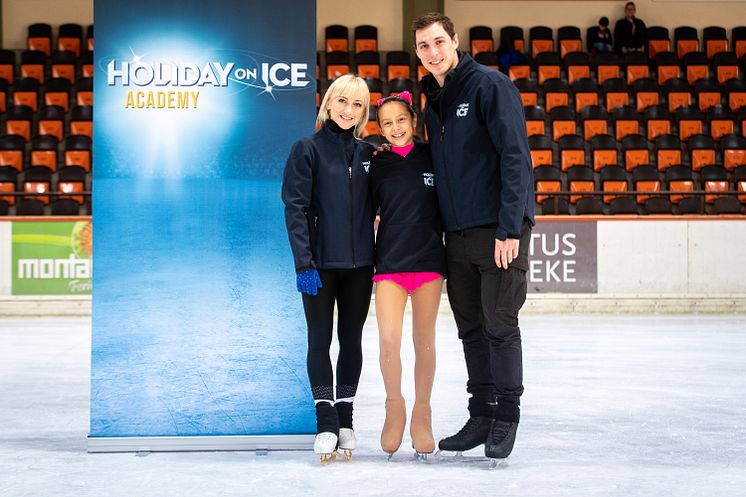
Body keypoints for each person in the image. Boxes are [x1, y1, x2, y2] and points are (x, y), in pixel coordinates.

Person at [412, 12, 535, 460]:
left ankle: (507, 417)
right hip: (456, 235)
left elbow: (515, 158)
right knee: (471, 330)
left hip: (498, 231)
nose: (433, 52)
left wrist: (509, 228)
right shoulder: (433, 100)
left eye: (439, 42)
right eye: (424, 46)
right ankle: (481, 414)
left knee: (500, 324)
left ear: (456, 41)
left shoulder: (489, 85)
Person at [281, 74, 375, 463]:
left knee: (351, 340)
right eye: (343, 101)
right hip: (319, 266)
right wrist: (304, 262)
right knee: (319, 340)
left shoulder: (370, 153)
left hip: (361, 266)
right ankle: (325, 420)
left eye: (357, 105)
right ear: (329, 103)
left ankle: (346, 418)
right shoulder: (307, 149)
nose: (348, 110)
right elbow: (295, 209)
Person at [369, 91, 447, 459]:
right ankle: (394, 408)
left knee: (424, 342)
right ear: (380, 129)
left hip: (430, 260)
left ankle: (422, 413)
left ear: (414, 122)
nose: (395, 128)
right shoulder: (376, 163)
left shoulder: (435, 157)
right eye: (387, 123)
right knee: (388, 342)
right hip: (389, 264)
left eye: (401, 120)